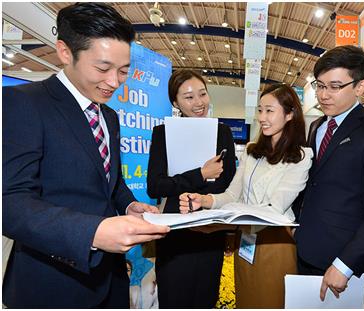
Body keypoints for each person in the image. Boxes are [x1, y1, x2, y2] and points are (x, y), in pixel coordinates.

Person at [2, 3, 169, 308]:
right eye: (103, 68)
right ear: (65, 52)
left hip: (111, 280)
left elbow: (110, 180)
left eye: (123, 71)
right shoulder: (23, 103)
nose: (115, 82)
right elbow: (10, 203)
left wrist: (129, 204)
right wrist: (92, 232)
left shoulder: (109, 116)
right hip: (52, 282)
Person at [179, 84, 313, 308]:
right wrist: (204, 201)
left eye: (269, 110)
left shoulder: (300, 156)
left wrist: (223, 220)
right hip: (245, 245)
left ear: (289, 114)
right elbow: (232, 194)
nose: (262, 117)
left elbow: (274, 208)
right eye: (260, 110)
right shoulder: (252, 152)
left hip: (274, 245)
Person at [291, 45, 364, 300]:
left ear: (360, 87)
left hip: (341, 262)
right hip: (304, 249)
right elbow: (313, 183)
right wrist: (296, 225)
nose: (323, 95)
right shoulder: (318, 126)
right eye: (319, 85)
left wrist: (345, 264)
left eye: (335, 86)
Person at [146, 69, 236, 308]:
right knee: (174, 297)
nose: (199, 103)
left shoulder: (223, 132)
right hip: (175, 230)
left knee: (205, 297)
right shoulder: (162, 133)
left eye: (202, 94)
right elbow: (155, 186)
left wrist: (229, 233)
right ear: (175, 102)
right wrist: (201, 174)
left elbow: (228, 185)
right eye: (189, 97)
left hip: (211, 229)